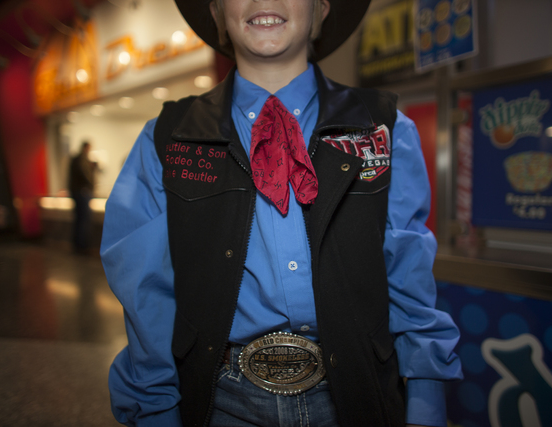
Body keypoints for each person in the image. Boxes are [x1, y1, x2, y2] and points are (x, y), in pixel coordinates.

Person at [101, 0, 462, 426]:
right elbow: (145, 293)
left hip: (359, 398)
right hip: (219, 402)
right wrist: (156, 412)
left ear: (321, 8)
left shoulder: (382, 129)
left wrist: (426, 403)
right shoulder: (168, 137)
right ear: (217, 13)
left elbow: (409, 278)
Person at [69, 141, 96, 253]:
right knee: (83, 220)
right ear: (86, 148)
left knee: (79, 220)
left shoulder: (76, 159)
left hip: (77, 192)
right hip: (82, 193)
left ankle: (78, 245)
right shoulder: (82, 160)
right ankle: (82, 246)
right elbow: (85, 176)